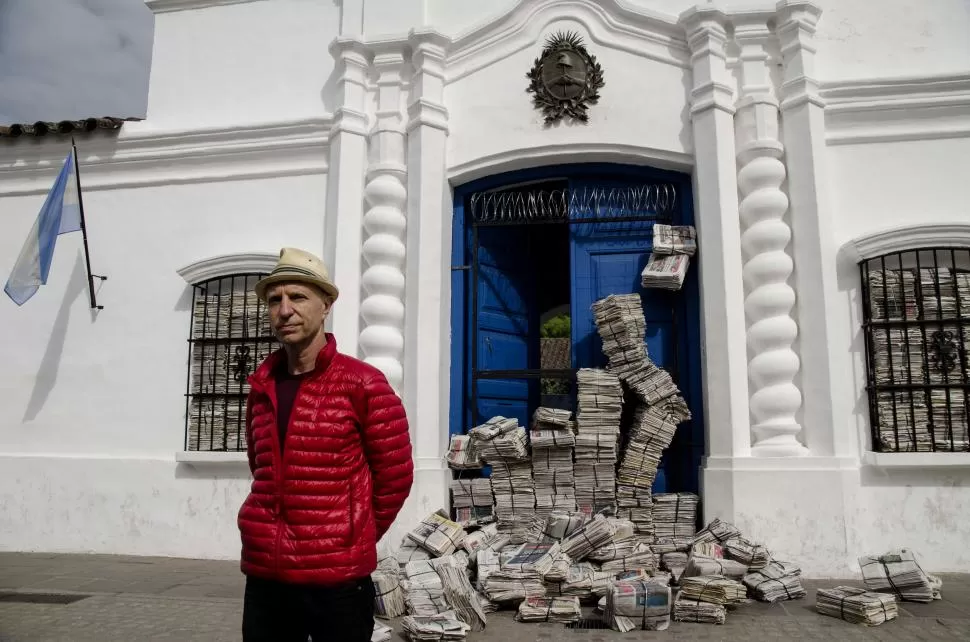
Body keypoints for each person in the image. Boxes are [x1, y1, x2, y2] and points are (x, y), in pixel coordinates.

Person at [237, 247, 413, 642]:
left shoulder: (363, 384)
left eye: (297, 297)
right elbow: (262, 466)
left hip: (337, 582)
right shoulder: (261, 387)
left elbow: (395, 476)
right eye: (274, 300)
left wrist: (353, 535)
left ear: (326, 304)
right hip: (267, 576)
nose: (284, 310)